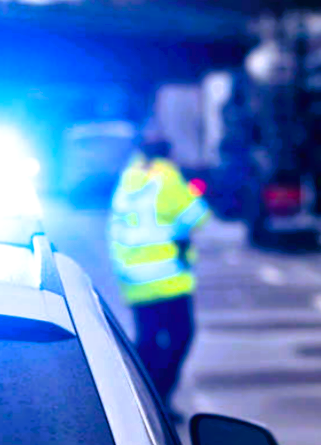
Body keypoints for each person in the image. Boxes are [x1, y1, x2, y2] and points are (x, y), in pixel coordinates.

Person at [108, 117, 211, 423]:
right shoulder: (166, 177)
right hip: (167, 278)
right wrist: (193, 191)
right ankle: (159, 399)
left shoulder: (130, 177)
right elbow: (198, 217)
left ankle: (137, 396)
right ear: (168, 152)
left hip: (134, 278)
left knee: (148, 340)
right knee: (181, 336)